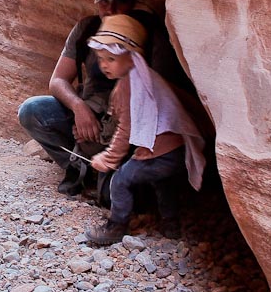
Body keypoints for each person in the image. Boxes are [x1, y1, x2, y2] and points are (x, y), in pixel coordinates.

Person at [17, 0, 149, 196]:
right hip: (88, 115)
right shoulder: (86, 29)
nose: (111, 9)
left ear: (134, 2)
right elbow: (58, 80)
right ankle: (79, 167)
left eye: (119, 2)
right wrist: (79, 108)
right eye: (104, 2)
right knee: (31, 110)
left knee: (111, 196)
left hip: (127, 124)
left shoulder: (146, 32)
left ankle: (107, 173)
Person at [83, 15, 206, 245]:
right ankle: (171, 223)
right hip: (175, 152)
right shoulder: (148, 77)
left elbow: (126, 128)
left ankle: (116, 226)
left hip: (157, 152)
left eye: (111, 58)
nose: (104, 65)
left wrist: (109, 159)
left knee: (119, 180)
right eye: (101, 58)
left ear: (133, 58)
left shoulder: (130, 85)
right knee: (162, 182)